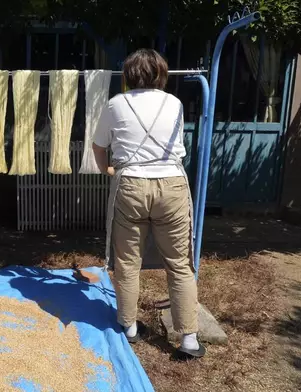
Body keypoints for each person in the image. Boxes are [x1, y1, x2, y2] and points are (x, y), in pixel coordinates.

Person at [92, 49, 205, 358]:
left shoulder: (116, 104)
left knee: (128, 263)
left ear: (128, 75)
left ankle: (128, 327)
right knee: (179, 264)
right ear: (161, 73)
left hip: (130, 185)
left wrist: (109, 171)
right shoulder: (175, 103)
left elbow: (99, 146)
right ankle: (190, 339)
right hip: (171, 184)